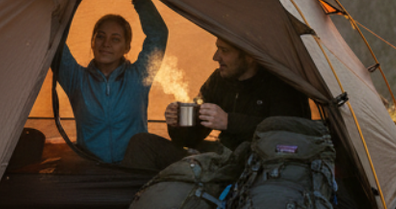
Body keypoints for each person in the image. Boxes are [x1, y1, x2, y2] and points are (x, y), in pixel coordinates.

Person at [121, 36, 310, 173]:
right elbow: (189, 140)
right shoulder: (219, 79)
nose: (215, 57)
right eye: (217, 48)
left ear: (250, 56)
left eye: (224, 51)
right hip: (218, 158)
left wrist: (229, 122)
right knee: (142, 143)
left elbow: (287, 136)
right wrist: (178, 124)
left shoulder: (280, 84)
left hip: (256, 166)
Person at [56, 0, 168, 165]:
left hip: (134, 168)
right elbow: (54, 36)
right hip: (92, 170)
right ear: (92, 42)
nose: (106, 44)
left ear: (127, 47)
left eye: (115, 39)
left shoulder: (139, 76)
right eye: (100, 36)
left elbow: (158, 35)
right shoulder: (75, 78)